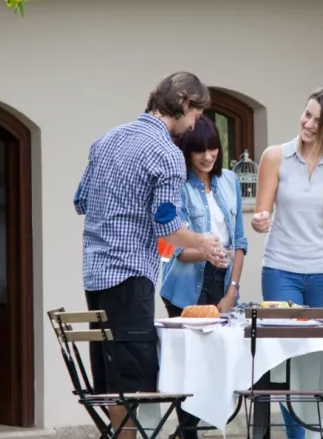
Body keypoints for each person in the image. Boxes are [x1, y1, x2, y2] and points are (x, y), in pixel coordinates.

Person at [74, 72, 227, 439]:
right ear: (186, 104)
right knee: (134, 384)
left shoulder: (105, 140)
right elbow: (168, 227)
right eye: (196, 115)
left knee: (114, 380)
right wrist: (203, 243)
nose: (194, 125)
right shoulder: (167, 154)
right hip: (130, 275)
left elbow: (81, 201)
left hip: (95, 274)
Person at [250, 86, 323, 439]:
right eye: (307, 114)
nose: (309, 123)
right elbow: (261, 213)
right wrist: (260, 221)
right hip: (281, 272)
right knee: (287, 365)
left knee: (320, 364)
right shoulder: (274, 156)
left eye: (318, 119)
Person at [159, 114, 249, 438]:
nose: (208, 156)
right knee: (191, 367)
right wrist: (206, 251)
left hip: (222, 281)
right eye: (200, 151)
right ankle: (187, 433)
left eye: (213, 149)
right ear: (187, 152)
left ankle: (183, 433)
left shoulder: (231, 183)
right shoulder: (178, 186)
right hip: (184, 286)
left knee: (215, 363)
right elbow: (177, 249)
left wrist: (233, 291)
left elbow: (239, 242)